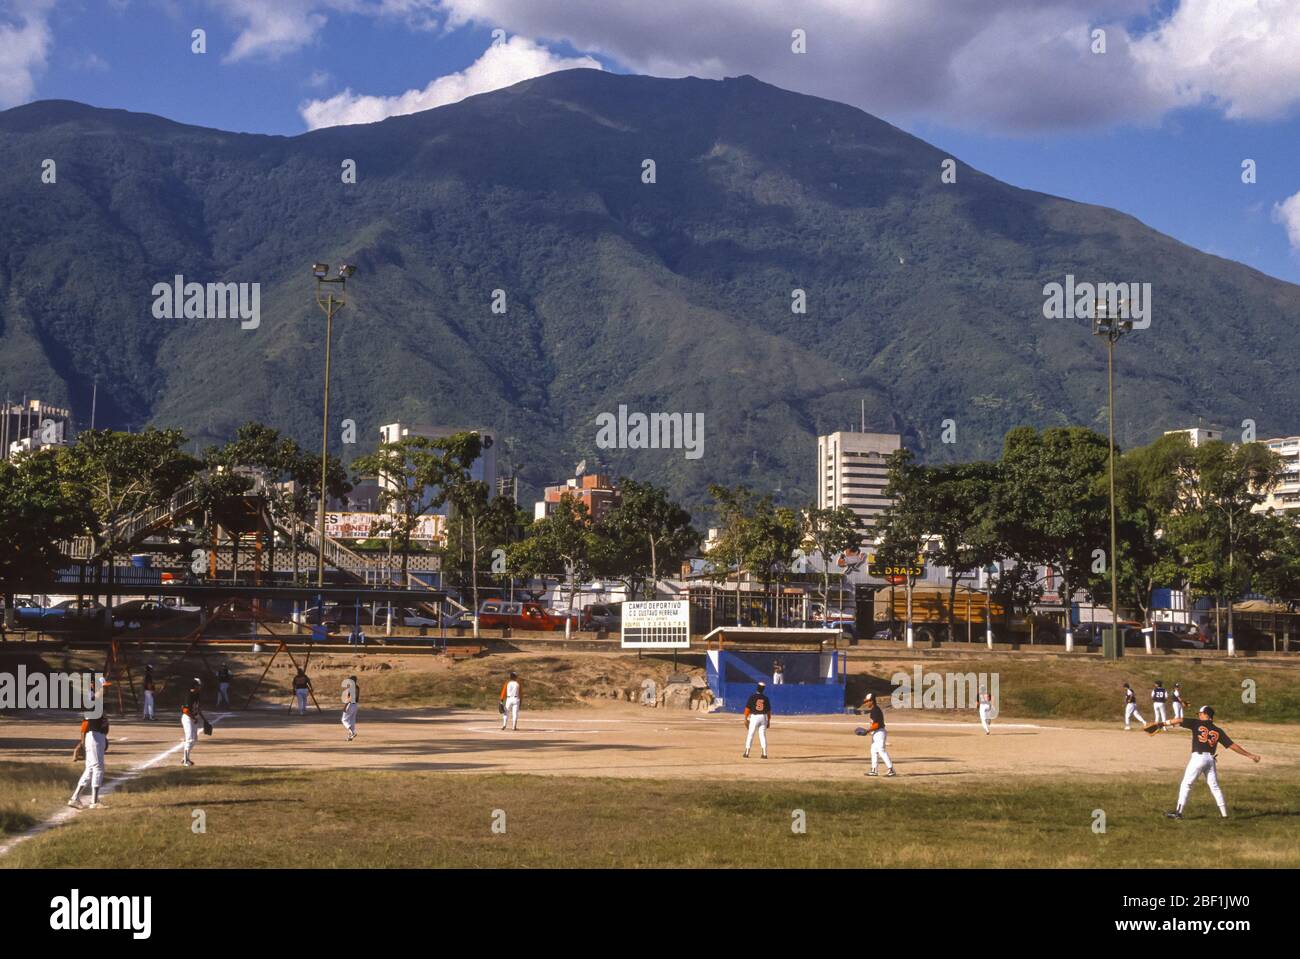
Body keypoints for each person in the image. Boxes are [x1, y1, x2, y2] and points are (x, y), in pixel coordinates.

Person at [1162, 706, 1260, 820]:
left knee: (1186, 784)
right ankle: (1224, 815)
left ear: (1206, 715)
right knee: (1215, 787)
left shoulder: (1196, 723)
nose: (1199, 715)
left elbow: (1178, 720)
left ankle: (1178, 813)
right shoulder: (1217, 730)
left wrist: (1162, 724)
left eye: (1200, 713)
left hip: (1198, 758)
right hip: (1210, 760)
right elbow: (1232, 746)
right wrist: (1250, 755)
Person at [69, 705, 110, 809]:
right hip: (94, 737)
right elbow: (85, 725)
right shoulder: (94, 703)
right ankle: (94, 802)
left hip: (97, 736)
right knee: (98, 768)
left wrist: (104, 737)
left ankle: (75, 798)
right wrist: (82, 743)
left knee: (90, 769)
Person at [862, 691, 895, 776]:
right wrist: (869, 731)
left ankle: (891, 769)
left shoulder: (875, 710)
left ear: (871, 701)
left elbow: (876, 725)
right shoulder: (873, 710)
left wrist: (867, 731)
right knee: (873, 750)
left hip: (879, 732)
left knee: (881, 750)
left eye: (867, 701)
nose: (866, 703)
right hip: (876, 733)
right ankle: (874, 770)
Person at [181, 678, 207, 767]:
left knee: (195, 739)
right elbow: (185, 710)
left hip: (193, 718)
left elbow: (198, 708)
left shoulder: (197, 694)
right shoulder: (189, 695)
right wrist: (193, 718)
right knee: (190, 739)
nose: (200, 687)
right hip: (187, 718)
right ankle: (185, 761)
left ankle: (186, 758)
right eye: (199, 685)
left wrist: (204, 719)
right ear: (195, 686)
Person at [742, 681, 771, 759]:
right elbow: (768, 711)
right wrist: (769, 721)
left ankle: (747, 752)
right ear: (763, 689)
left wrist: (745, 718)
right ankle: (764, 753)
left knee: (750, 734)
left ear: (757, 688)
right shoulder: (766, 698)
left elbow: (747, 709)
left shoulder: (752, 697)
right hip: (763, 717)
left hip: (754, 717)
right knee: (762, 735)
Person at [342, 675, 359, 741]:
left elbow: (350, 698)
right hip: (356, 705)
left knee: (344, 720)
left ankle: (352, 732)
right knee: (352, 721)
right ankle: (350, 736)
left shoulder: (352, 687)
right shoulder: (357, 687)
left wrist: (345, 706)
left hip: (350, 704)